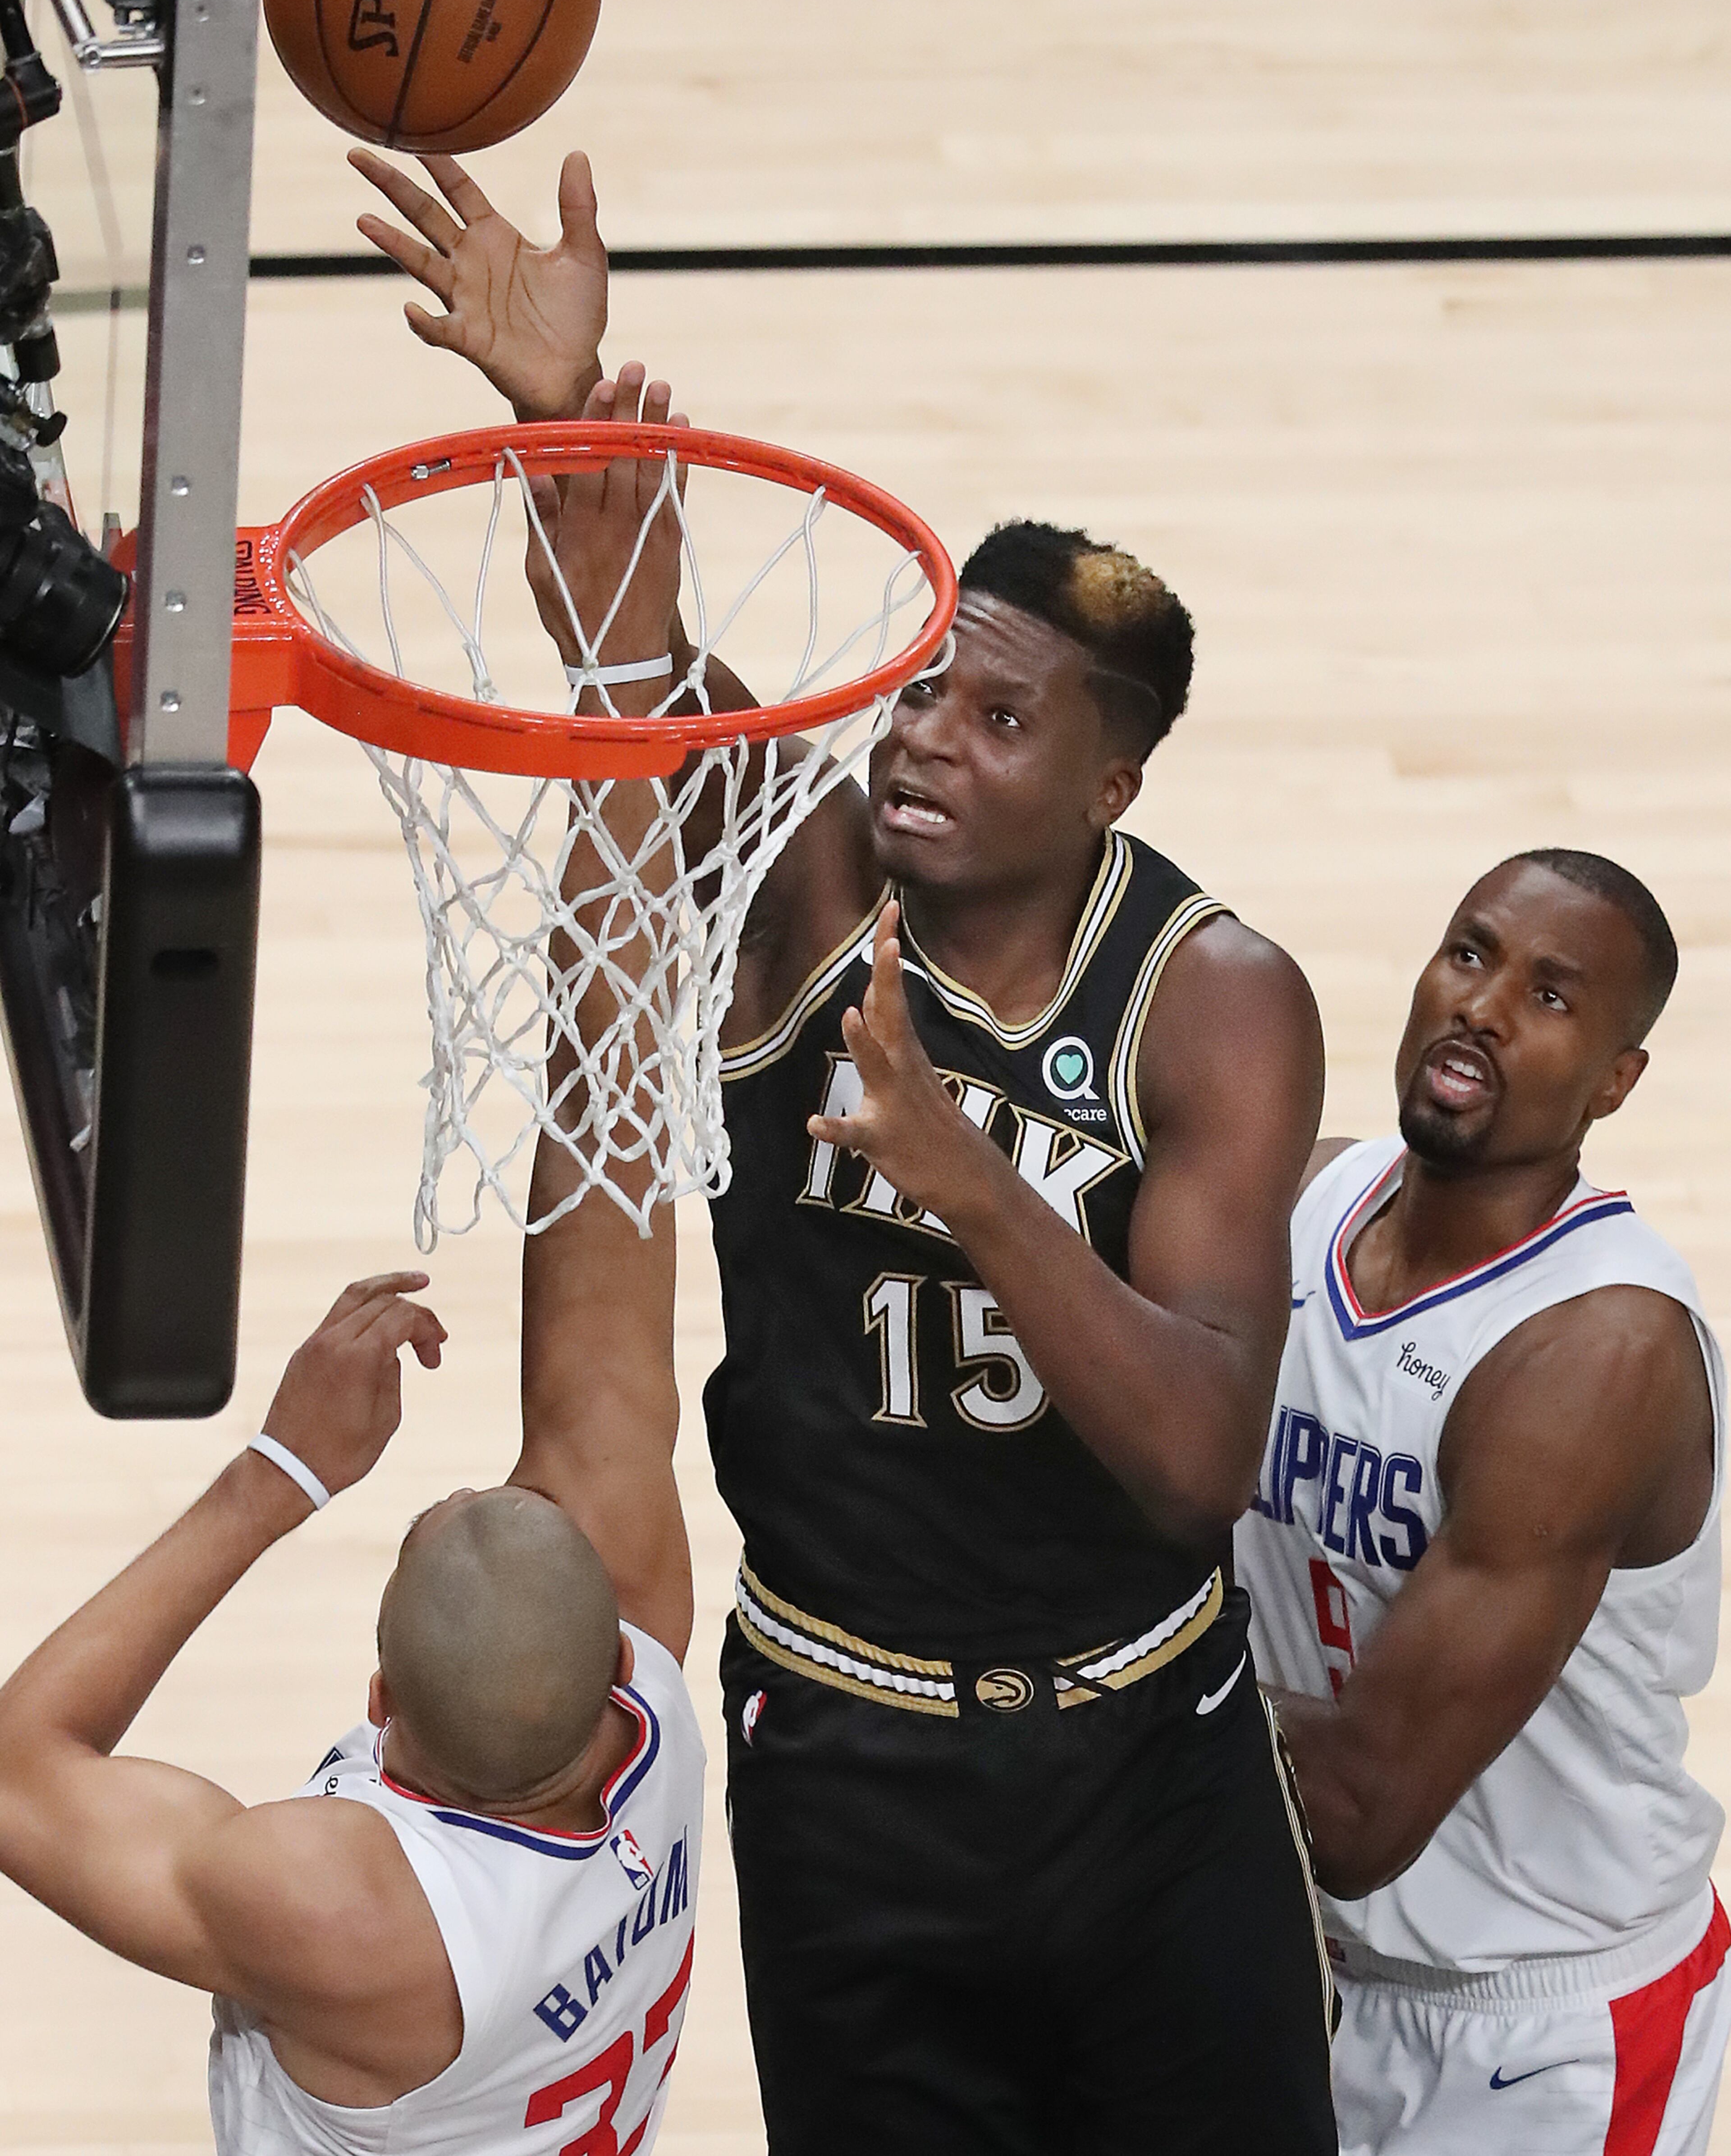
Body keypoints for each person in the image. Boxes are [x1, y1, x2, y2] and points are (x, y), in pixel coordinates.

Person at [355, 147, 1340, 2154]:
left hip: (1150, 1751)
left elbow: (1195, 1461)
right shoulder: (806, 882)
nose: (924, 737)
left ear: (1113, 782)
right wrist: (565, 408)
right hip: (846, 1749)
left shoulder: (1216, 999)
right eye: (925, 688)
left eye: (1000, 719)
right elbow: (642, 672)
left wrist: (966, 1172)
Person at [0, 428, 706, 2156]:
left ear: (378, 1724)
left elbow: (22, 1772)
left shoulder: (347, 1911)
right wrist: (618, 689)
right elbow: (614, 1150)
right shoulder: (659, 1717)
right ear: (616, 1678)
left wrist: (285, 1471)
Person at [1234, 850, 1729, 2156]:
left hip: (1545, 2028)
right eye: (1471, 954)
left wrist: (1067, 1686)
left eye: (1551, 997)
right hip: (1310, 1958)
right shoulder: (1301, 1202)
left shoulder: (1601, 1353)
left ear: (1616, 1082)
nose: (1485, 1007)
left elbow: (1362, 1813)